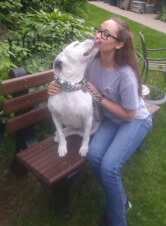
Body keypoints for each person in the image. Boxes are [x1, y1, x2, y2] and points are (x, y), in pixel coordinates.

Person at [48, 17, 152, 226]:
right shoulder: (92, 63)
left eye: (106, 34)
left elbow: (130, 115)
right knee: (94, 156)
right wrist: (52, 85)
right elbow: (69, 77)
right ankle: (120, 200)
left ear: (119, 44)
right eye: (99, 30)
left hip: (134, 121)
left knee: (109, 167)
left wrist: (99, 98)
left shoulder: (125, 75)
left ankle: (116, 219)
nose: (98, 36)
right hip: (112, 119)